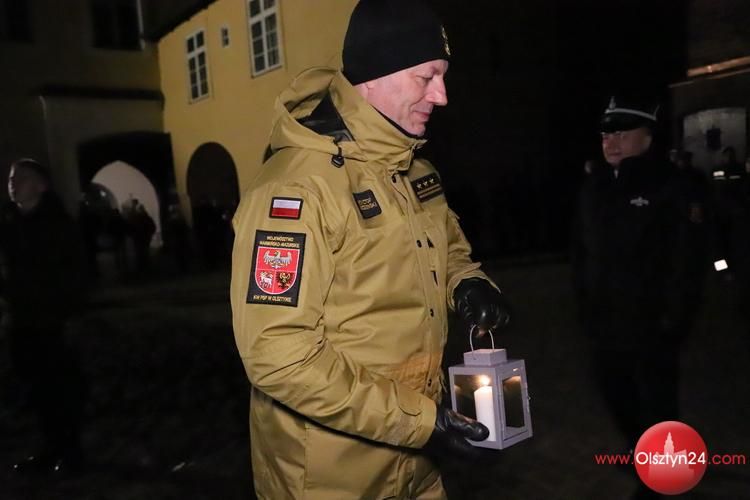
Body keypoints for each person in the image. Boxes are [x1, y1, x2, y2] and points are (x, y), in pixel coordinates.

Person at [230, 1, 511, 498]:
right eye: (426, 77)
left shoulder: (413, 168)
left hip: (419, 461)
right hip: (333, 475)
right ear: (375, 75)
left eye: (443, 77)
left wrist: (466, 282)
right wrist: (420, 422)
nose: (441, 96)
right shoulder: (295, 190)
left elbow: (447, 249)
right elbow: (278, 354)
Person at [572, 96, 699, 451]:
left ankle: (665, 466)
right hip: (604, 318)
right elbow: (580, 252)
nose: (611, 142)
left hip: (651, 319)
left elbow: (685, 256)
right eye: (605, 135)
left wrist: (674, 317)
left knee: (657, 399)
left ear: (647, 137)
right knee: (613, 389)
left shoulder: (669, 185)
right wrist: (584, 304)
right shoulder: (595, 186)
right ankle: (638, 448)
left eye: (622, 134)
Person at [0, 158, 87, 474]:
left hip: (53, 320)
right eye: (12, 178)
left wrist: (69, 314)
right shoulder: (10, 223)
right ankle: (50, 448)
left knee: (60, 388)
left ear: (41, 185)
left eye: (22, 178)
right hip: (24, 318)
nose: (13, 183)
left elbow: (75, 273)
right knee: (36, 389)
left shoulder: (58, 225)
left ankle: (71, 452)